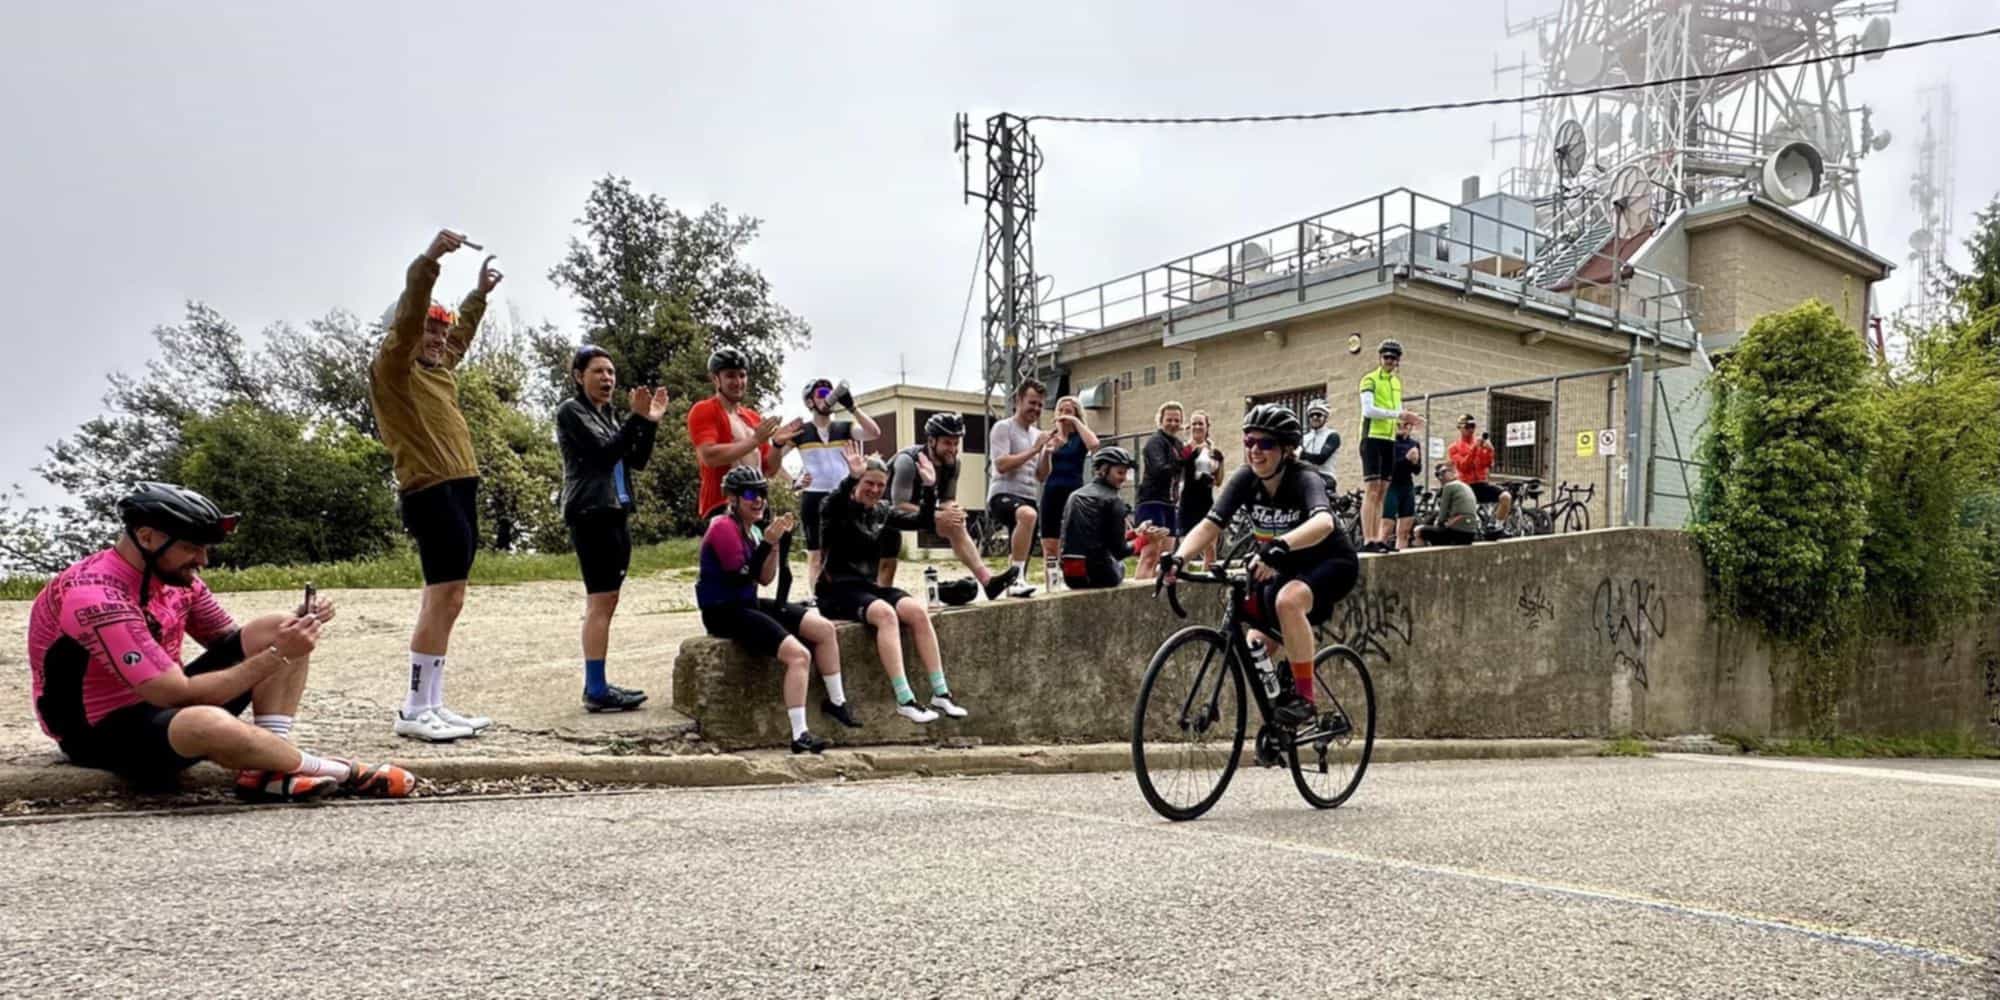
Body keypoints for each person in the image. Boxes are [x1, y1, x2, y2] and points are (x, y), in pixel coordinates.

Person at [26, 484, 415, 801]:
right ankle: (340, 771)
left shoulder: (178, 578)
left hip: (159, 704)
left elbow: (228, 641)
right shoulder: (96, 596)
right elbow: (173, 694)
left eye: (206, 548)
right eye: (192, 547)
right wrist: (280, 655)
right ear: (146, 537)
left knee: (277, 626)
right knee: (207, 721)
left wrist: (291, 632)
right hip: (99, 734)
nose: (203, 561)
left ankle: (268, 768)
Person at [368, 228, 503, 742]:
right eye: (429, 329)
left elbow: (460, 334)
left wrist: (478, 296)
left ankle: (432, 704)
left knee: (451, 598)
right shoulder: (393, 368)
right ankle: (412, 708)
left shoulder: (440, 366)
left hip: (460, 488)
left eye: (440, 332)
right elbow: (408, 323)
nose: (438, 338)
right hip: (430, 490)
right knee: (440, 595)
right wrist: (429, 261)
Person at [1160, 405, 1360, 728]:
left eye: (1265, 443)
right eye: (1249, 441)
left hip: (1330, 563)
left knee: (1288, 601)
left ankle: (1306, 700)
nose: (1255, 450)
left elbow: (1323, 521)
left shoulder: (1303, 477)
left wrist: (1278, 546)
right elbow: (1211, 524)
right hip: (1283, 566)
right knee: (1255, 643)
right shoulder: (1245, 479)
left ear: (1286, 449)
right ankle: (1281, 708)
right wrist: (1178, 557)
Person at [698, 467, 860, 754]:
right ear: (733, 499)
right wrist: (767, 544)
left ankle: (837, 703)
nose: (758, 500)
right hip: (723, 611)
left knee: (823, 629)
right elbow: (738, 576)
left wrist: (776, 546)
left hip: (745, 602)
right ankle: (799, 735)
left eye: (762, 493)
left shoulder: (753, 529)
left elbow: (765, 578)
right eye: (750, 494)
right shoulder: (722, 526)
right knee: (799, 656)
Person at [818, 445, 967, 723]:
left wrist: (929, 486)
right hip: (835, 590)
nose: (874, 490)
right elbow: (838, 502)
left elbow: (923, 521)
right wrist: (850, 477)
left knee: (916, 612)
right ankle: (905, 699)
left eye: (880, 485)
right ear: (857, 483)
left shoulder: (883, 511)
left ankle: (941, 693)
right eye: (868, 484)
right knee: (886, 615)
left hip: (868, 588)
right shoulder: (835, 507)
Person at [555, 346, 667, 713]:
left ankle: (598, 684)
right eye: (598, 372)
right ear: (578, 376)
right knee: (600, 602)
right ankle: (596, 688)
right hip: (591, 513)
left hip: (614, 512)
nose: (607, 379)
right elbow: (603, 454)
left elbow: (636, 459)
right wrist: (636, 420)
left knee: (608, 600)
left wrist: (648, 422)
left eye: (611, 373)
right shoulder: (572, 412)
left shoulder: (608, 416)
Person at [878, 413, 1022, 601]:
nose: (952, 449)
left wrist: (954, 512)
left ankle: (988, 582)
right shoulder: (908, 461)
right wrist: (939, 514)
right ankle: (880, 599)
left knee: (955, 523)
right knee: (888, 561)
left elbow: (947, 500)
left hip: (924, 510)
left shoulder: (953, 463)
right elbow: (899, 507)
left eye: (956, 443)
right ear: (931, 440)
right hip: (885, 514)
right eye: (947, 443)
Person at [788, 377, 880, 594]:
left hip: (844, 494)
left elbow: (874, 433)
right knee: (816, 554)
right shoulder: (802, 431)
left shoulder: (845, 427)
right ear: (810, 402)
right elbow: (773, 459)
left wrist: (852, 406)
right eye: (821, 394)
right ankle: (817, 599)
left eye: (830, 394)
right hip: (814, 497)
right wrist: (793, 481)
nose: (827, 398)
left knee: (850, 550)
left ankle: (851, 593)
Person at [688, 346, 802, 521]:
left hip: (756, 504)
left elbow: (769, 470)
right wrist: (755, 440)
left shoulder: (752, 417)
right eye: (730, 375)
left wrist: (777, 445)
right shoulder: (704, 409)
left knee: (778, 541)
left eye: (742, 375)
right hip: (723, 504)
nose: (738, 381)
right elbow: (709, 456)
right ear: (715, 379)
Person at [1059, 447, 1167, 589]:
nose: (1123, 478)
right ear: (1103, 470)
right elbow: (1120, 551)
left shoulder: (1075, 495)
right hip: (1099, 575)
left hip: (1071, 576)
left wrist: (1135, 533)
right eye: (1120, 472)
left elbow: (1092, 536)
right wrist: (1145, 539)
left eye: (1126, 473)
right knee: (1120, 566)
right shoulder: (1113, 500)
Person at [986, 379, 1051, 598]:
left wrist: (1047, 452)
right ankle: (1017, 578)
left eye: (1040, 405)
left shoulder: (1036, 434)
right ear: (1018, 400)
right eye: (1032, 403)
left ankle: (1013, 583)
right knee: (1027, 514)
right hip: (1003, 493)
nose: (1036, 409)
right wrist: (1034, 450)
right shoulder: (1003, 427)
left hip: (1028, 495)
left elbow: (1041, 475)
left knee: (1026, 528)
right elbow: (1002, 465)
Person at [1358, 339, 1419, 554]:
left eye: (1394, 358)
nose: (1390, 361)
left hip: (1388, 439)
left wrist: (1409, 418)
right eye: (1386, 357)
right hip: (1372, 437)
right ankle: (1368, 538)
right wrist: (1400, 415)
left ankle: (1378, 539)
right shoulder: (1369, 380)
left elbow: (1398, 410)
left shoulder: (1396, 383)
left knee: (1383, 489)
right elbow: (1369, 410)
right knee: (1372, 489)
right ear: (1380, 358)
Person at [1037, 394, 1099, 592]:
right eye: (1061, 411)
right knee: (1050, 543)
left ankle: (1074, 581)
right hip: (1052, 491)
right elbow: (1041, 474)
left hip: (1074, 492)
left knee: (1073, 541)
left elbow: (1094, 445)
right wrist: (1047, 453)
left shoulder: (1079, 438)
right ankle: (1051, 585)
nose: (1063, 415)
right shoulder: (1051, 437)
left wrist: (1074, 422)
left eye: (1068, 411)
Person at [1133, 401, 1185, 580]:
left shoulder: (1177, 444)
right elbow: (1160, 469)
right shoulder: (1155, 442)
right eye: (1169, 420)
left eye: (1177, 420)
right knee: (1150, 555)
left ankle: (1159, 593)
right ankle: (1140, 597)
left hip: (1170, 503)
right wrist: (1183, 460)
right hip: (1152, 502)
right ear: (1160, 420)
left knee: (1166, 558)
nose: (1173, 424)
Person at [1177, 410, 1225, 569]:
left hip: (1206, 502)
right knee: (1184, 547)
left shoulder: (1214, 452)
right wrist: (1191, 448)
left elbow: (1219, 480)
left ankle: (1209, 585)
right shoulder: (1184, 449)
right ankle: (1181, 581)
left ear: (1207, 427)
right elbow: (1177, 468)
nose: (1197, 427)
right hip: (1187, 501)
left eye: (1200, 423)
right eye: (1194, 423)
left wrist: (1213, 469)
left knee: (1210, 548)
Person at [1447, 413, 1512, 525]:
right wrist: (1474, 449)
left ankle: (1497, 526)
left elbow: (1487, 464)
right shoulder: (1454, 447)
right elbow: (1463, 466)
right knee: (1471, 517)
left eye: (1473, 426)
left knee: (1506, 497)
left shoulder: (1479, 444)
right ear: (1460, 428)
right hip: (1466, 486)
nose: (1471, 429)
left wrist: (1490, 451)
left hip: (1481, 484)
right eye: (1467, 427)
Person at [1374, 417, 1425, 552]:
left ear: (1411, 427)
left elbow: (1418, 470)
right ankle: (1380, 553)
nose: (1402, 426)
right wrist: (1406, 460)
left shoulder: (1414, 444)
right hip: (1391, 486)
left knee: (1405, 530)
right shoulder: (1389, 443)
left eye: (1406, 424)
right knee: (1387, 526)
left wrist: (1414, 462)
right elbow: (1388, 468)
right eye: (1399, 424)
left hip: (1407, 486)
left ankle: (1400, 556)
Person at [1414, 462, 1480, 547]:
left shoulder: (1449, 486)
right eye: (1438, 474)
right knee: (1435, 530)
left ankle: (1422, 557)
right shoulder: (1466, 486)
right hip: (1470, 534)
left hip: (1456, 531)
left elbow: (1442, 515)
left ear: (1453, 473)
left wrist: (1434, 524)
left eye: (1443, 472)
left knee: (1418, 530)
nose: (1440, 477)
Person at [1300, 398, 1340, 488]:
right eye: (1311, 415)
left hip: (1325, 476)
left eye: (1318, 414)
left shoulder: (1332, 435)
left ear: (1325, 417)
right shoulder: (1305, 438)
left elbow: (1321, 459)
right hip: (1306, 475)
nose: (1315, 417)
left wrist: (1300, 454)